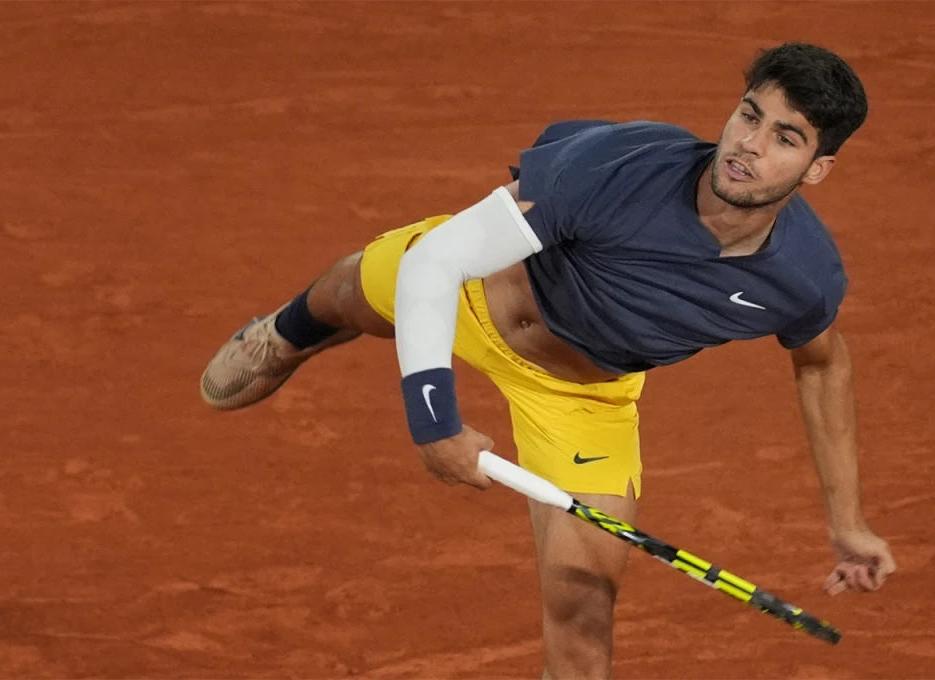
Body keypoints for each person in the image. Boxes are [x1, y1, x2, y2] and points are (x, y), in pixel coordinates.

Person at [200, 42, 897, 679]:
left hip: (581, 398)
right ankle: (287, 334)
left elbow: (822, 363)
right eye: (750, 115)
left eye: (785, 137)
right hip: (476, 297)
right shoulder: (614, 167)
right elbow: (438, 265)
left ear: (818, 167)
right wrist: (434, 419)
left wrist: (848, 521)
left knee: (584, 619)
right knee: (352, 293)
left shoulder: (803, 276)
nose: (748, 144)